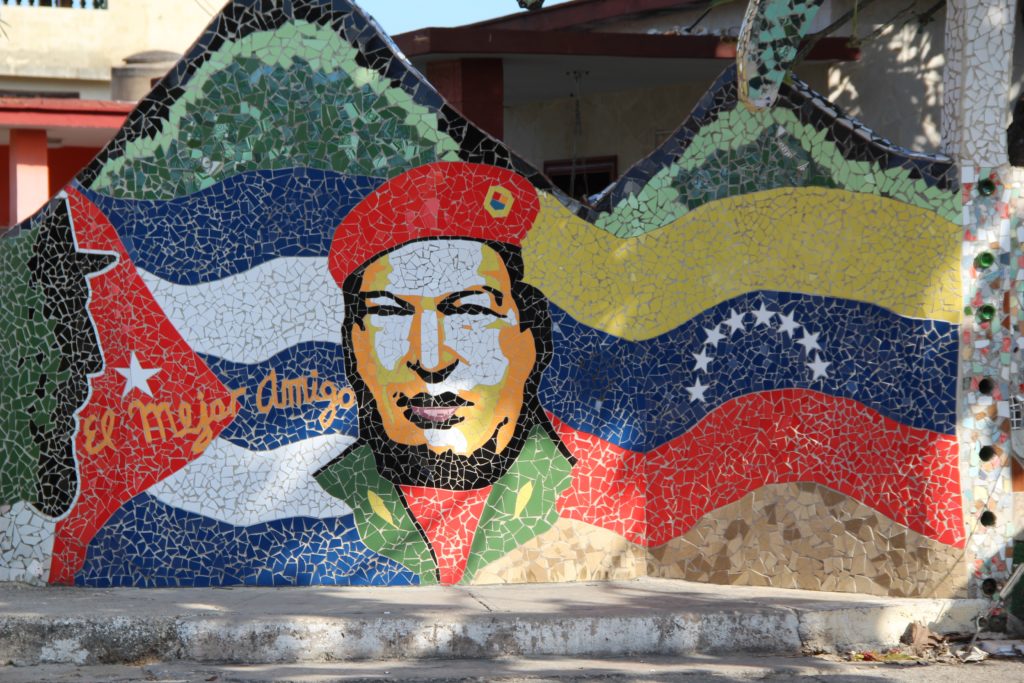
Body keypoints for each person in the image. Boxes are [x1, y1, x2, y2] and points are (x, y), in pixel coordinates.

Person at [315, 162, 575, 585]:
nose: (431, 362)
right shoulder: (321, 497)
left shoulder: (585, 495)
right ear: (355, 347)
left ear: (530, 339)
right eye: (389, 313)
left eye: (470, 310)